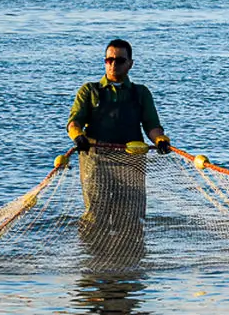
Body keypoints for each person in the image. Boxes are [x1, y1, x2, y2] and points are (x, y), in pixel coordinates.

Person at [66, 39, 170, 230]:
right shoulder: (89, 91)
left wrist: (160, 140)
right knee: (96, 216)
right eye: (109, 60)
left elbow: (152, 125)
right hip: (96, 161)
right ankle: (92, 257)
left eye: (120, 60)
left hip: (132, 162)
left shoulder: (141, 93)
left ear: (130, 63)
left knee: (132, 217)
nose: (113, 64)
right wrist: (78, 135)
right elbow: (74, 122)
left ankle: (131, 257)